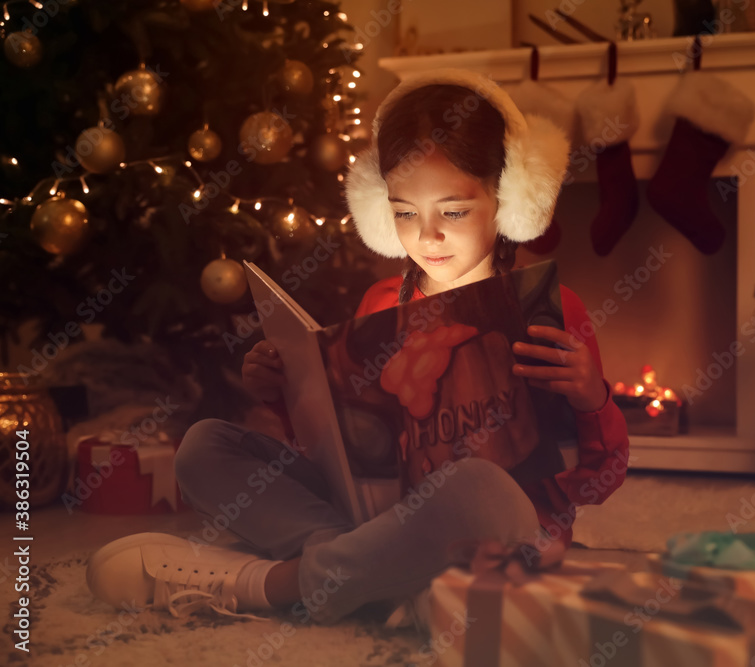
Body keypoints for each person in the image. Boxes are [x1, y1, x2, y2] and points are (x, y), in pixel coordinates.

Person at [86, 68, 630, 628]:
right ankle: (382, 574)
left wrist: (592, 399)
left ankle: (269, 584)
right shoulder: (378, 303)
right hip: (377, 515)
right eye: (403, 213)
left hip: (505, 527)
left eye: (454, 210)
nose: (427, 235)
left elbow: (599, 479)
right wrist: (285, 393)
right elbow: (344, 457)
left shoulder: (552, 309)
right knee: (203, 447)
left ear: (511, 196)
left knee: (479, 487)